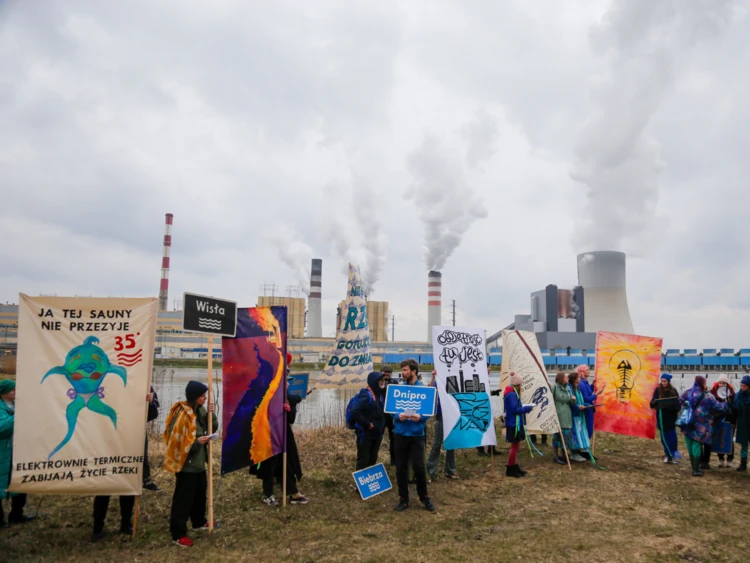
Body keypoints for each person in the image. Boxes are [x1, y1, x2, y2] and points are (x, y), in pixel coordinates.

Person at [91, 390, 155, 541]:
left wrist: (149, 402)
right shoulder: (106, 385)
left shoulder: (142, 383)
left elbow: (151, 415)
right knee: (104, 487)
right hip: (108, 442)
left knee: (128, 484)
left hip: (131, 442)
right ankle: (97, 527)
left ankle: (126, 523)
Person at [164, 380, 219, 548]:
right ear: (195, 397)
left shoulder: (200, 410)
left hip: (199, 463)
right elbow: (176, 440)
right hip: (186, 465)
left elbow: (213, 428)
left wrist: (212, 414)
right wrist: (196, 443)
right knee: (183, 499)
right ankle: (178, 533)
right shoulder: (182, 414)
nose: (205, 398)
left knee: (200, 495)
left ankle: (198, 521)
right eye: (202, 396)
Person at [251, 355, 310, 507]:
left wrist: (288, 408)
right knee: (269, 466)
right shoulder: (264, 391)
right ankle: (267, 494)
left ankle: (292, 493)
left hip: (283, 435)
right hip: (268, 435)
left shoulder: (284, 394)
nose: (287, 379)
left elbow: (290, 419)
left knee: (287, 463)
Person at [393, 359, 435, 512]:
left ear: (414, 371)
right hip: (400, 434)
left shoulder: (423, 389)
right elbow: (392, 409)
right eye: (402, 370)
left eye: (405, 370)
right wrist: (398, 416)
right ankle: (403, 498)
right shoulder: (399, 389)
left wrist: (421, 417)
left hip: (417, 435)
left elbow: (428, 411)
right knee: (401, 468)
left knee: (419, 467)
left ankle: (424, 497)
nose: (403, 373)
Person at [0, 379, 34, 527]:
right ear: (3, 393)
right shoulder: (2, 409)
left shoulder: (15, 405)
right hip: (3, 453)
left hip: (18, 451)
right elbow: (2, 428)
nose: (15, 392)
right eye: (11, 390)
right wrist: (19, 416)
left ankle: (17, 514)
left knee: (21, 481)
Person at [679, 376, 728, 477]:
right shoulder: (708, 396)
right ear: (702, 384)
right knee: (696, 445)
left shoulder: (688, 393)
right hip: (701, 425)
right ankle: (695, 470)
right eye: (705, 383)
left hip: (688, 422)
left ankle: (693, 467)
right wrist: (726, 403)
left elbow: (679, 401)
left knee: (689, 444)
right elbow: (719, 407)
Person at [426, 370, 458, 481]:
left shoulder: (453, 382)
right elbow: (428, 392)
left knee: (451, 444)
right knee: (437, 444)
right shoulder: (437, 382)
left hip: (452, 416)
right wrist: (433, 377)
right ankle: (430, 470)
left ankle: (450, 470)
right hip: (440, 417)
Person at [351, 371, 386, 470]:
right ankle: (360, 484)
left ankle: (370, 484)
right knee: (363, 460)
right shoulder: (366, 395)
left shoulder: (379, 394)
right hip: (365, 435)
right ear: (374, 381)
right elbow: (355, 411)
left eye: (383, 380)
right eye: (380, 380)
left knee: (373, 459)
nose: (383, 382)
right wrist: (367, 424)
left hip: (377, 434)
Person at [503, 371, 534, 477]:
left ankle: (514, 465)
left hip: (515, 422)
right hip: (513, 423)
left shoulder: (512, 393)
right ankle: (510, 467)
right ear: (517, 384)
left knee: (516, 446)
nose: (521, 386)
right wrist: (526, 408)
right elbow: (514, 409)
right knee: (514, 447)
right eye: (520, 384)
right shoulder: (511, 394)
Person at [650, 373, 681, 464]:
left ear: (668, 382)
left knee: (672, 438)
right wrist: (655, 403)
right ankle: (668, 455)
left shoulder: (673, 391)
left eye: (665, 381)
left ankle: (673, 454)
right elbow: (652, 402)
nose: (663, 383)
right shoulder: (658, 390)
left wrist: (672, 406)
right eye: (662, 381)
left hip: (671, 418)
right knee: (664, 438)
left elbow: (677, 404)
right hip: (661, 417)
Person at [709, 374, 736, 468]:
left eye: (724, 383)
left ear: (727, 384)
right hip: (718, 419)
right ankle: (720, 458)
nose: (721, 384)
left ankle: (729, 459)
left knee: (729, 439)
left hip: (729, 419)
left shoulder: (732, 394)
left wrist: (728, 402)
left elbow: (735, 409)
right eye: (720, 382)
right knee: (719, 438)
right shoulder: (713, 392)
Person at [576, 365, 604, 451]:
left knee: (589, 428)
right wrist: (597, 394)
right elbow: (586, 398)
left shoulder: (585, 382)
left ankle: (585, 447)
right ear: (582, 372)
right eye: (587, 370)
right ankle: (583, 448)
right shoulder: (581, 383)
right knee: (587, 428)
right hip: (587, 409)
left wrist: (592, 385)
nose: (589, 371)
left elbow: (588, 392)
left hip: (589, 409)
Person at [550, 372, 575, 465]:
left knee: (566, 436)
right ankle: (556, 456)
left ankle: (564, 454)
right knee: (557, 435)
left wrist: (573, 400)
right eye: (566, 377)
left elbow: (571, 403)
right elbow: (550, 401)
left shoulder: (568, 388)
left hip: (567, 414)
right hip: (558, 414)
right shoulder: (554, 387)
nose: (568, 378)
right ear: (561, 378)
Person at [568, 373, 591, 463]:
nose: (580, 378)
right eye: (578, 377)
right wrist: (578, 406)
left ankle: (579, 451)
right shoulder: (570, 389)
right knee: (575, 433)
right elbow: (571, 402)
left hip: (579, 414)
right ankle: (574, 453)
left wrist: (588, 405)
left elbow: (581, 400)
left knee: (580, 432)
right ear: (574, 379)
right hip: (574, 414)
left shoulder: (578, 388)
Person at [143, 385, 161, 492]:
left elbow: (153, 414)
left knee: (142, 454)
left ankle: (146, 480)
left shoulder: (147, 386)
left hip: (138, 427)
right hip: (118, 427)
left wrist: (150, 403)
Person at [731, 375, 750, 472]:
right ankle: (743, 464)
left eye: (745, 386)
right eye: (741, 386)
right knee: (744, 444)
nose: (743, 388)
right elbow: (736, 409)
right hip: (743, 424)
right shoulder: (738, 395)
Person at [381, 366, 397, 466]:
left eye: (389, 372)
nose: (387, 374)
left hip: (391, 415)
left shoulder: (394, 383)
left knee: (393, 439)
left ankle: (393, 460)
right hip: (380, 415)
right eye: (385, 372)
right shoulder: (378, 382)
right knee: (378, 437)